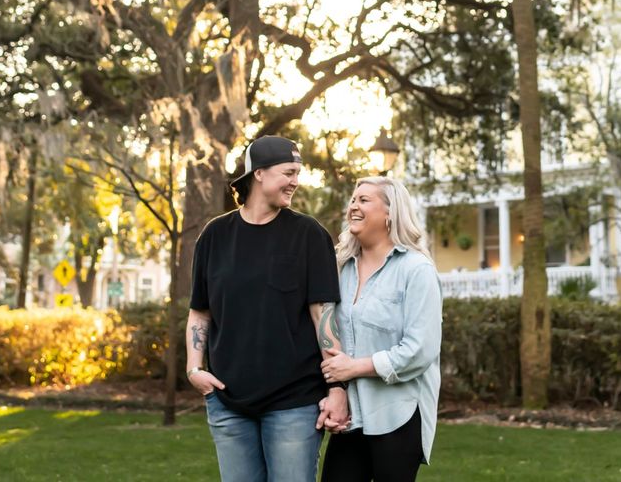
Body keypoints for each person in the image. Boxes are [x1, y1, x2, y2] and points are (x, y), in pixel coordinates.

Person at [186, 135, 350, 482]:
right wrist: (193, 369)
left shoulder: (309, 235)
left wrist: (337, 388)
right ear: (258, 173)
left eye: (298, 173)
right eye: (288, 172)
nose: (295, 181)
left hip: (294, 402)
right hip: (227, 401)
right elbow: (200, 312)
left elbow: (324, 315)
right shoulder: (214, 236)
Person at [318, 177, 442, 482]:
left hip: (397, 414)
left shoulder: (416, 270)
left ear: (390, 213)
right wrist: (334, 390)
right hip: (350, 417)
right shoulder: (341, 268)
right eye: (353, 199)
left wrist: (354, 368)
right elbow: (329, 332)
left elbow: (420, 350)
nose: (353, 206)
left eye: (364, 200)